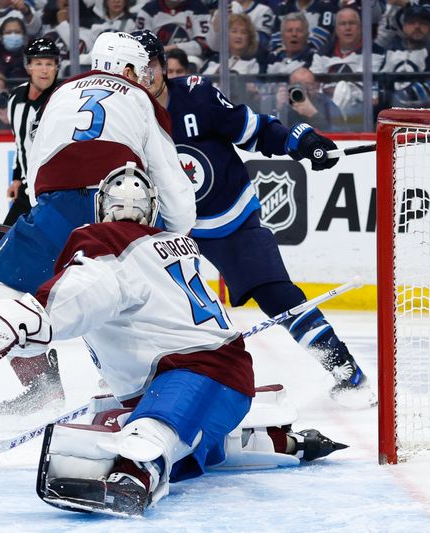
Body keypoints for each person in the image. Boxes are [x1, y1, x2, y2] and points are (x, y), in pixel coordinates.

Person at [0, 163, 347, 516]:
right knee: (113, 417)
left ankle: (135, 475)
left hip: (196, 373)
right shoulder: (174, 242)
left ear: (102, 206)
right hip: (210, 375)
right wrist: (26, 334)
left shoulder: (104, 241)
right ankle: (272, 440)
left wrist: (20, 318)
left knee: (148, 431)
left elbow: (83, 295)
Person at [132, 30, 374, 404]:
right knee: (143, 305)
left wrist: (300, 141)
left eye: (149, 65)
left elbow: (254, 130)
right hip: (165, 228)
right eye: (134, 67)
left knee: (278, 295)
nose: (143, 75)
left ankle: (346, 372)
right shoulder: (124, 113)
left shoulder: (197, 94)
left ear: (163, 66)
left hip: (227, 214)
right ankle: (146, 386)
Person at [0, 31, 196, 417]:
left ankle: (40, 384)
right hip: (119, 210)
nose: (144, 78)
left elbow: (39, 165)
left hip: (55, 208)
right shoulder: (141, 98)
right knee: (120, 295)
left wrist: (42, 219)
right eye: (140, 70)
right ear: (127, 68)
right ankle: (131, 384)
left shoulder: (60, 94)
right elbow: (169, 180)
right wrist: (175, 237)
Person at [0, 37, 60, 243]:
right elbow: (20, 143)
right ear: (28, 67)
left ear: (56, 68)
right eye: (39, 63)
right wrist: (16, 177)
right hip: (27, 189)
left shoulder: (62, 100)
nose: (44, 70)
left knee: (52, 246)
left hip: (54, 192)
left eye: (49, 64)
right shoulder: (15, 98)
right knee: (5, 239)